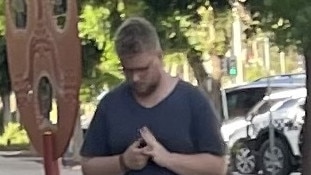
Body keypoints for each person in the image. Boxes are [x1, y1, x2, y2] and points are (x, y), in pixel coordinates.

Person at [80, 17, 226, 175]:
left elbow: (217, 166)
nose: (135, 78)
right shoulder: (110, 105)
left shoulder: (193, 101)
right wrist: (123, 162)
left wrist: (168, 159)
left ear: (159, 56)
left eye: (143, 69)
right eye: (128, 70)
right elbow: (88, 166)